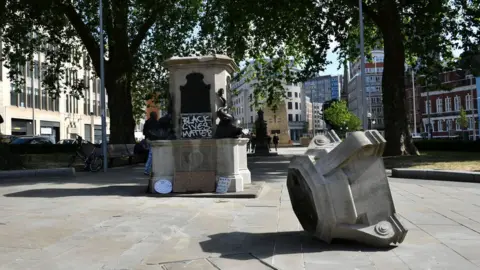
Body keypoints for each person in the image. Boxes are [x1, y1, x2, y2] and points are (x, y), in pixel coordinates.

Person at [143, 111, 158, 175]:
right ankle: (147, 169)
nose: (157, 116)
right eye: (156, 115)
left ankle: (148, 169)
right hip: (152, 140)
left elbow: (144, 132)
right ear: (154, 116)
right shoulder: (155, 122)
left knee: (150, 155)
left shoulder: (147, 122)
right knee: (151, 155)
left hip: (148, 139)